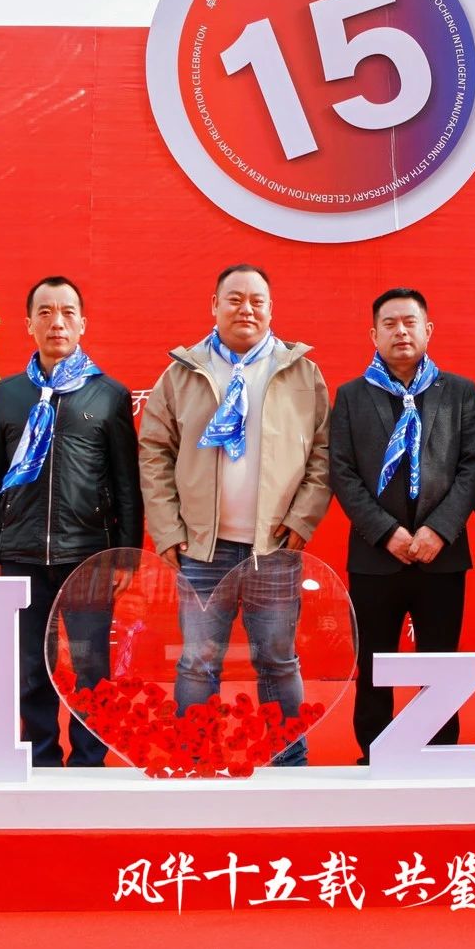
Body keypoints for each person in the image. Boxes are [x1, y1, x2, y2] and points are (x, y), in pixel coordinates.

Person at [138, 264, 331, 766]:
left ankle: (288, 762)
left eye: (257, 301)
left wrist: (302, 519)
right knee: (197, 661)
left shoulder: (302, 373)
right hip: (203, 548)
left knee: (278, 659)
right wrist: (168, 530)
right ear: (214, 305)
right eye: (235, 299)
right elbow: (154, 452)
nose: (247, 309)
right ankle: (195, 757)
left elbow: (324, 454)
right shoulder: (182, 373)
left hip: (274, 547)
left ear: (271, 309)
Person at [0, 275, 143, 767]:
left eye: (68, 312)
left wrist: (126, 555)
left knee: (91, 664)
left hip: (89, 554)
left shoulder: (109, 395)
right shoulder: (6, 395)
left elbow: (126, 482)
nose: (57, 322)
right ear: (28, 324)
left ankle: (89, 760)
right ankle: (42, 756)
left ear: (83, 323)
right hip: (21, 553)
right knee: (32, 664)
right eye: (45, 312)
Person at [329, 288, 475, 764]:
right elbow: (342, 472)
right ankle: (374, 754)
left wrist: (439, 530)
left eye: (410, 322)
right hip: (376, 556)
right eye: (390, 323)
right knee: (374, 663)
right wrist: (385, 532)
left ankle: (439, 753)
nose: (401, 331)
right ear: (373, 334)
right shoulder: (352, 396)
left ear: (428, 330)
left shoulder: (459, 392)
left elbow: (473, 466)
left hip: (442, 555)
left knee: (439, 663)